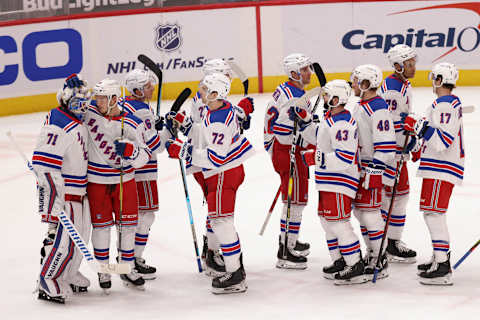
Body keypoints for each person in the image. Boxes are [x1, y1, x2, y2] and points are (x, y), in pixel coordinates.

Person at [165, 73, 254, 294]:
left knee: (222, 222)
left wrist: (182, 151)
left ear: (216, 93)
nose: (200, 92)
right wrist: (185, 124)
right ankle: (233, 267)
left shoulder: (219, 120)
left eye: (205, 89)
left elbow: (215, 157)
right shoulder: (213, 110)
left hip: (223, 172)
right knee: (218, 221)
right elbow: (203, 132)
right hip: (222, 173)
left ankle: (235, 274)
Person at [297, 80, 367, 284]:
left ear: (337, 99)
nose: (324, 98)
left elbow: (345, 158)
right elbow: (319, 137)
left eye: (327, 95)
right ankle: (340, 260)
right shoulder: (331, 117)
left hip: (340, 180)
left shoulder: (343, 122)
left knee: (338, 223)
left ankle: (355, 264)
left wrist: (316, 158)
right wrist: (305, 122)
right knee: (327, 221)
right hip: (328, 180)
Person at [402, 62, 464, 285]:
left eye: (433, 78)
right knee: (432, 213)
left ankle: (443, 266)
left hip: (442, 167)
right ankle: (439, 259)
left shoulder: (445, 104)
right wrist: (418, 145)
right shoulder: (444, 103)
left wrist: (419, 126)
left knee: (434, 214)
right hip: (437, 166)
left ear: (439, 79)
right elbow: (434, 138)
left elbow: (442, 141)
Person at [86, 78, 151, 291]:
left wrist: (132, 153)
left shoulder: (133, 123)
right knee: (102, 228)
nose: (98, 101)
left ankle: (125, 268)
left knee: (128, 227)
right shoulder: (89, 113)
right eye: (97, 97)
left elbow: (145, 157)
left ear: (114, 99)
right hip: (97, 182)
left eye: (102, 98)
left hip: (125, 182)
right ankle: (104, 270)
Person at [33, 74, 90, 303]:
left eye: (85, 103)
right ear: (66, 100)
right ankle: (48, 279)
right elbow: (43, 164)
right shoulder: (58, 121)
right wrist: (56, 198)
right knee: (63, 241)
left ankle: (67, 274)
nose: (82, 108)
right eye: (77, 103)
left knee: (79, 239)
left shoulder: (76, 121)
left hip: (79, 192)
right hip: (65, 193)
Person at [263, 53, 313, 270]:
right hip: (289, 152)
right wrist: (305, 126)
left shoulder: (289, 90)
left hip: (281, 151)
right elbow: (283, 130)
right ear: (294, 73)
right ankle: (285, 250)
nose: (309, 72)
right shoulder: (292, 97)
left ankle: (291, 241)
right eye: (304, 69)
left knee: (294, 200)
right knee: (295, 202)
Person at [123, 69, 172, 280]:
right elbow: (157, 146)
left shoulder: (126, 104)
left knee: (135, 216)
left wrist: (156, 124)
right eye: (147, 85)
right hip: (144, 170)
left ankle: (128, 260)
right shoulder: (143, 111)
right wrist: (169, 129)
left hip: (130, 169)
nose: (152, 87)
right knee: (146, 214)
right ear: (136, 90)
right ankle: (134, 259)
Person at [350, 64, 396, 280]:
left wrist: (374, 171)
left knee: (370, 214)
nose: (353, 83)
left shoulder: (378, 107)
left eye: (356, 80)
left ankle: (380, 256)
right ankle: (372, 252)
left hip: (372, 170)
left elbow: (386, 146)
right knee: (361, 213)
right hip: (361, 170)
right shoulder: (362, 105)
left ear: (366, 84)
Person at [379, 44, 418, 263]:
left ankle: (393, 242)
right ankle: (381, 244)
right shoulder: (392, 88)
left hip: (398, 152)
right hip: (390, 153)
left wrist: (410, 130)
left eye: (413, 62)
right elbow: (388, 122)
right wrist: (404, 135)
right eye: (408, 64)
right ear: (397, 66)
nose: (413, 67)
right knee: (389, 198)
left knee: (400, 196)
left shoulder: (402, 83)